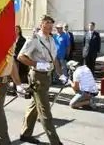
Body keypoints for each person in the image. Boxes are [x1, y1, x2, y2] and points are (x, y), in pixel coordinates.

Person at [17, 14, 67, 145]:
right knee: (45, 110)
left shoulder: (51, 39)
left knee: (34, 105)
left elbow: (54, 59)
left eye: (51, 23)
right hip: (37, 77)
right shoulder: (34, 39)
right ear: (41, 24)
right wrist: (36, 64)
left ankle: (25, 134)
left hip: (47, 76)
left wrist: (60, 74)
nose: (50, 26)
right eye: (47, 23)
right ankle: (55, 142)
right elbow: (20, 57)